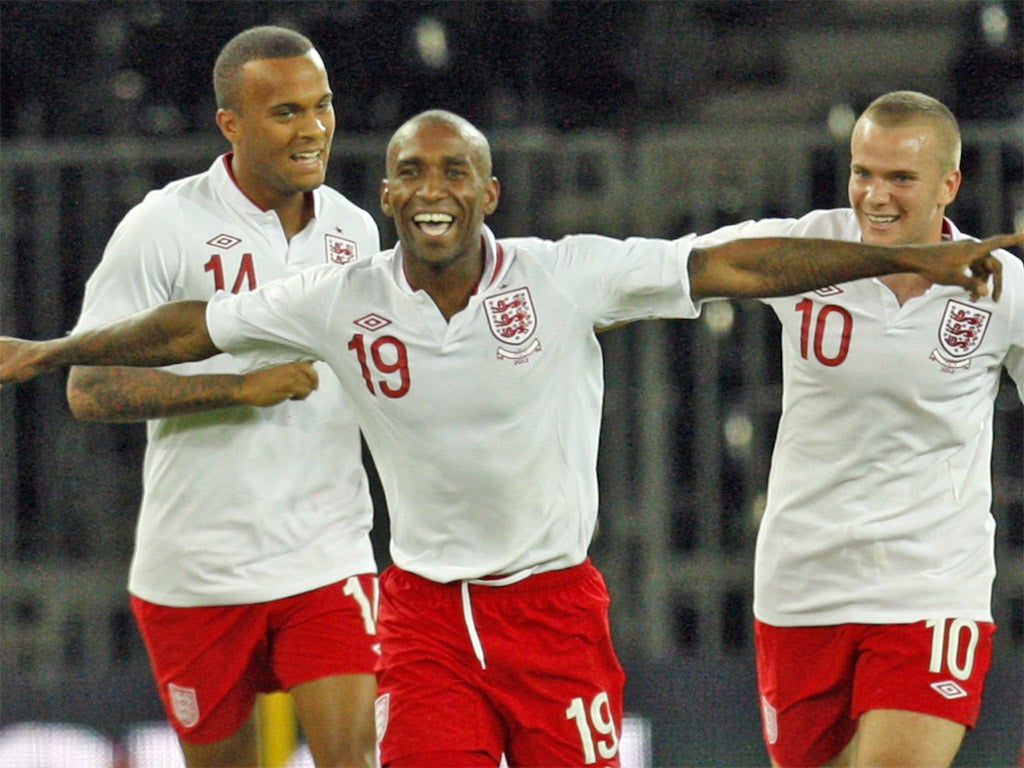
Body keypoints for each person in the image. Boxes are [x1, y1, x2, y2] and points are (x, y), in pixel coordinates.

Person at [0, 109, 1018, 768]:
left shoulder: (563, 273)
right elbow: (188, 328)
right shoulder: (337, 299)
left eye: (456, 170)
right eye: (410, 171)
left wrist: (922, 265)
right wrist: (53, 352)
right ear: (386, 193)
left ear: (490, 193)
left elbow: (729, 269)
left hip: (553, 613)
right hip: (425, 619)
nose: (432, 186)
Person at [61, 26, 381, 768]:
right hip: (198, 570)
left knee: (353, 760)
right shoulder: (164, 226)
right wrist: (238, 389)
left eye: (322, 106)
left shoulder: (356, 232)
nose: (314, 130)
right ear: (230, 125)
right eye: (286, 113)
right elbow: (89, 387)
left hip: (326, 555)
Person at [692, 91, 1023, 767]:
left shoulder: (1002, 289)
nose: (875, 195)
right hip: (802, 584)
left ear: (948, 185)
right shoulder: (806, 250)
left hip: (931, 585)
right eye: (862, 173)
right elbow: (686, 267)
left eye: (900, 178)